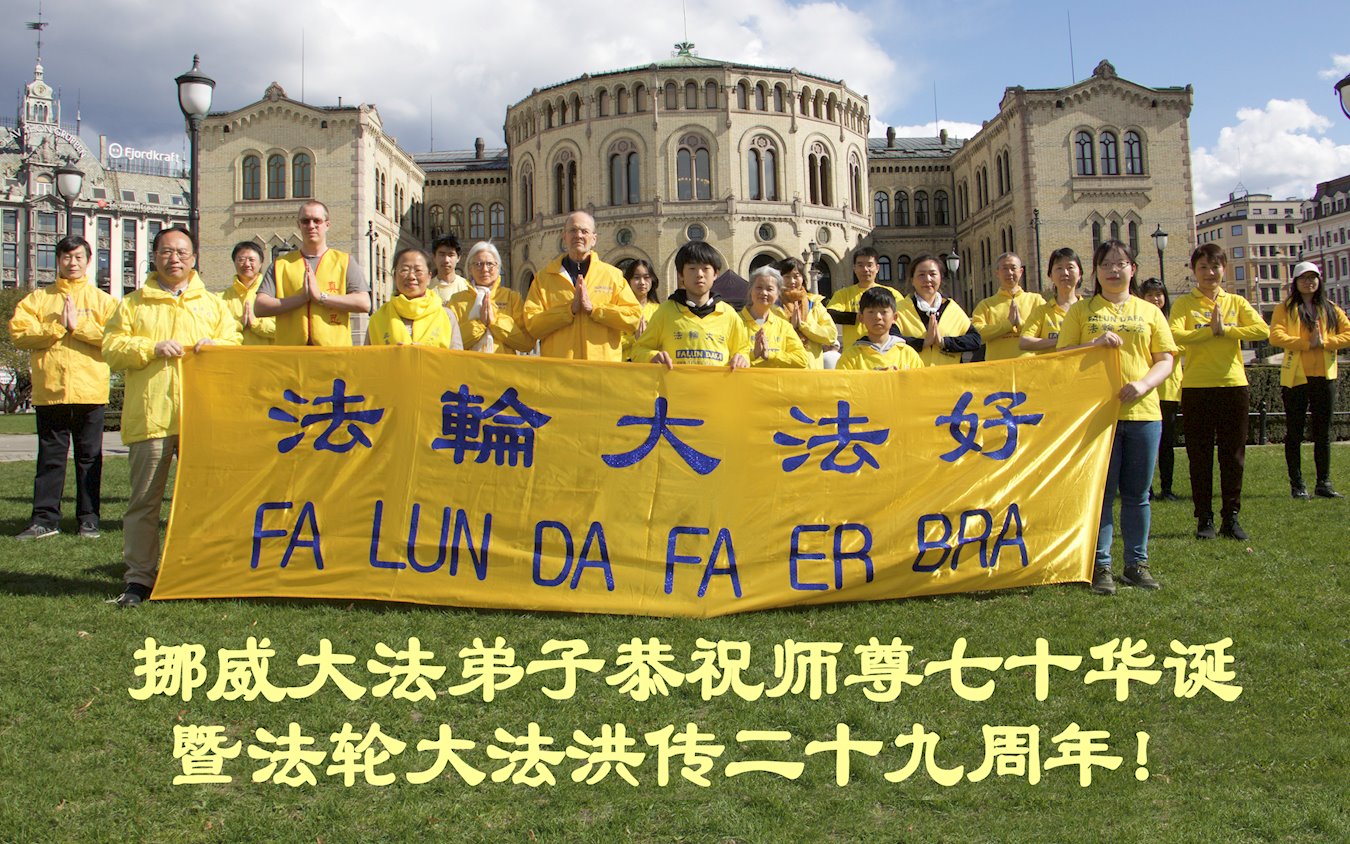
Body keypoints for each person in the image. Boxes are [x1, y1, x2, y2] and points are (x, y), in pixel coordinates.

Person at [102, 227, 241, 607]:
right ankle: (139, 578)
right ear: (154, 257)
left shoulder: (213, 305)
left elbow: (235, 343)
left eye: (181, 252)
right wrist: (150, 348)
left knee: (207, 501)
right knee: (144, 503)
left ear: (194, 258)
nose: (174, 258)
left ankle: (203, 570)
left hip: (202, 420)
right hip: (153, 418)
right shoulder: (133, 304)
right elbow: (111, 348)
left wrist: (218, 347)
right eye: (166, 251)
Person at [1058, 240, 1177, 595]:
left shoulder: (1149, 311)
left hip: (1143, 414)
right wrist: (1092, 346)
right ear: (1095, 272)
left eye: (1120, 263)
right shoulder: (1081, 311)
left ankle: (1137, 564)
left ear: (1132, 269)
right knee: (1102, 493)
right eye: (1106, 264)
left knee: (1138, 494)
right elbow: (1062, 357)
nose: (1113, 270)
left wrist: (1143, 385)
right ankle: (1101, 565)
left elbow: (1166, 358)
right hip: (1097, 416)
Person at [9, 235, 118, 540]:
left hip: (90, 390)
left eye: (78, 257)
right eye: (67, 257)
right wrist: (57, 326)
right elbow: (20, 334)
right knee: (50, 459)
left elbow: (115, 337)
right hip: (51, 391)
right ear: (58, 260)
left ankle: (89, 519)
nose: (72, 263)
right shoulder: (38, 299)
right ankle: (44, 520)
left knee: (89, 458)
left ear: (88, 261)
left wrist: (77, 327)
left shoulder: (103, 301)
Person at [1169, 244, 1269, 540]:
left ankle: (1231, 517)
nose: (1209, 273)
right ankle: (1204, 519)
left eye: (1215, 267)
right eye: (1203, 267)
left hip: (1233, 386)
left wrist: (1227, 330)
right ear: (1194, 271)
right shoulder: (1184, 304)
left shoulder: (1236, 302)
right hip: (1197, 387)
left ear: (1224, 269)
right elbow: (1174, 335)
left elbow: (1262, 330)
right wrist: (1208, 331)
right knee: (1199, 456)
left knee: (1233, 455)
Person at [1269, 261, 1350, 499]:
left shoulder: (1330, 308)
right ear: (1295, 282)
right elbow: (1276, 336)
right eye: (1304, 278)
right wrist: (1306, 344)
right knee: (1294, 432)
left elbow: (1347, 333)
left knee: (1323, 432)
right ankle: (1297, 484)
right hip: (1296, 376)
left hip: (1324, 376)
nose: (1309, 282)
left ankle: (1323, 482)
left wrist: (1325, 343)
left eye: (1313, 277)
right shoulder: (1285, 308)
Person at [523, 211, 641, 360]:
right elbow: (532, 325)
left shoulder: (612, 276)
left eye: (584, 231)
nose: (578, 235)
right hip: (560, 370)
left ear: (594, 239)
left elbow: (633, 318)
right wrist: (568, 311)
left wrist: (594, 310)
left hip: (600, 370)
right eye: (573, 230)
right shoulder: (544, 278)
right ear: (564, 237)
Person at [253, 200, 372, 345]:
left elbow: (364, 303)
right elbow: (259, 307)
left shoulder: (344, 261)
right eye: (305, 221)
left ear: (327, 225)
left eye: (317, 221)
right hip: (291, 352)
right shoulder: (281, 264)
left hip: (333, 352)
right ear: (298, 225)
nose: (311, 226)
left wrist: (321, 297)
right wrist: (301, 299)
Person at [632, 241, 751, 369]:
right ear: (680, 275)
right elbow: (639, 350)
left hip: (717, 383)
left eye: (705, 268)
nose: (699, 274)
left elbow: (743, 350)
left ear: (715, 274)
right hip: (675, 383)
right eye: (692, 268)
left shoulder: (729, 314)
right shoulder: (665, 312)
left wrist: (742, 358)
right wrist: (652, 356)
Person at [1137, 278, 1183, 501]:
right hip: (1146, 391)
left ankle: (1167, 488)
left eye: (1159, 294)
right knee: (1145, 445)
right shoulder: (1141, 321)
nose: (1155, 299)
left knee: (1167, 443)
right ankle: (1146, 488)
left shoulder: (1173, 322)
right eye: (1150, 295)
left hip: (1168, 390)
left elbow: (1178, 346)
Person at [368, 247, 464, 349]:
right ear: (395, 276)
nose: (411, 276)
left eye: (418, 270)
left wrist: (427, 354)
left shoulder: (446, 316)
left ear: (429, 277)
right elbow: (366, 356)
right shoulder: (378, 318)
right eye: (404, 270)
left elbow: (456, 357)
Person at [894, 253, 980, 366]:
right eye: (921, 275)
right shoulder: (900, 309)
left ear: (940, 278)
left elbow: (975, 340)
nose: (927, 279)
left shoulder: (951, 308)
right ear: (912, 280)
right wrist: (923, 343)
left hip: (947, 374)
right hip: (913, 374)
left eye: (932, 274)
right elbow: (890, 340)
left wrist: (944, 343)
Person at [449, 241, 534, 355]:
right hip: (469, 365)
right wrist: (479, 324)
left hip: (502, 365)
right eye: (478, 264)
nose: (484, 269)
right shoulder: (456, 301)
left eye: (489, 264)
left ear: (498, 267)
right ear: (470, 268)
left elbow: (527, 343)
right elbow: (449, 343)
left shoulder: (512, 298)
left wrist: (495, 322)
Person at [973, 252, 1044, 361]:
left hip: (1030, 366)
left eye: (1013, 268)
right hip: (998, 367)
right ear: (997, 273)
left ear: (1021, 272)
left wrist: (1021, 324)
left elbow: (1046, 330)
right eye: (1005, 268)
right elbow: (976, 334)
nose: (1009, 272)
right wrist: (1007, 325)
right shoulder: (986, 305)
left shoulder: (1035, 300)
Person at [826, 247, 903, 345]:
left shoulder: (891, 294)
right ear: (854, 268)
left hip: (884, 349)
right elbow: (830, 314)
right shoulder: (843, 294)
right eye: (860, 265)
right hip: (854, 350)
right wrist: (858, 317)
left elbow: (902, 318)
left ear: (877, 268)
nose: (865, 269)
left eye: (869, 265)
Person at [837, 286, 923, 371]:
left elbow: (920, 379)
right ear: (861, 318)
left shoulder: (908, 354)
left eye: (884, 312)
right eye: (871, 312)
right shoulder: (850, 357)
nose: (878, 317)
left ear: (895, 317)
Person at [772, 257, 837, 368]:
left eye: (796, 276)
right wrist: (791, 328)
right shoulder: (773, 306)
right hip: (785, 369)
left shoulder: (814, 304)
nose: (792, 281)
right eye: (787, 277)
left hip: (812, 370)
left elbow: (831, 336)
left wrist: (803, 327)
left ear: (802, 278)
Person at [741, 266, 809, 368]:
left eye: (769, 289)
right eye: (759, 287)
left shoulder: (784, 326)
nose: (764, 293)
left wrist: (771, 355)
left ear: (777, 294)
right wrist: (753, 355)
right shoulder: (734, 321)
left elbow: (802, 359)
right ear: (750, 290)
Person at [1020, 248, 1083, 353]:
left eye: (1070, 267)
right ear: (1051, 276)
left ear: (1080, 274)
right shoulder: (1042, 311)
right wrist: (1060, 341)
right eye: (1059, 268)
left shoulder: (1090, 309)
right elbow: (1024, 342)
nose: (1065, 273)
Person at [220, 241, 276, 345]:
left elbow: (285, 328)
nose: (246, 264)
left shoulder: (274, 294)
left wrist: (256, 324)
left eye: (251, 260)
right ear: (234, 262)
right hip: (234, 354)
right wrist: (239, 324)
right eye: (241, 260)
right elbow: (217, 329)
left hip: (266, 354)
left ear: (261, 263)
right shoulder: (221, 298)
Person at [621, 260, 661, 361]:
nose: (642, 282)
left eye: (646, 277)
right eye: (636, 277)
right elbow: (611, 342)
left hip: (648, 365)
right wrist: (633, 338)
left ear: (652, 280)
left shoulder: (660, 310)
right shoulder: (620, 309)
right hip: (624, 365)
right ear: (628, 281)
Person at [429, 234, 471, 304]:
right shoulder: (426, 288)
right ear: (434, 257)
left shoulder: (467, 287)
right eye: (442, 254)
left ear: (458, 258)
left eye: (451, 255)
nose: (446, 260)